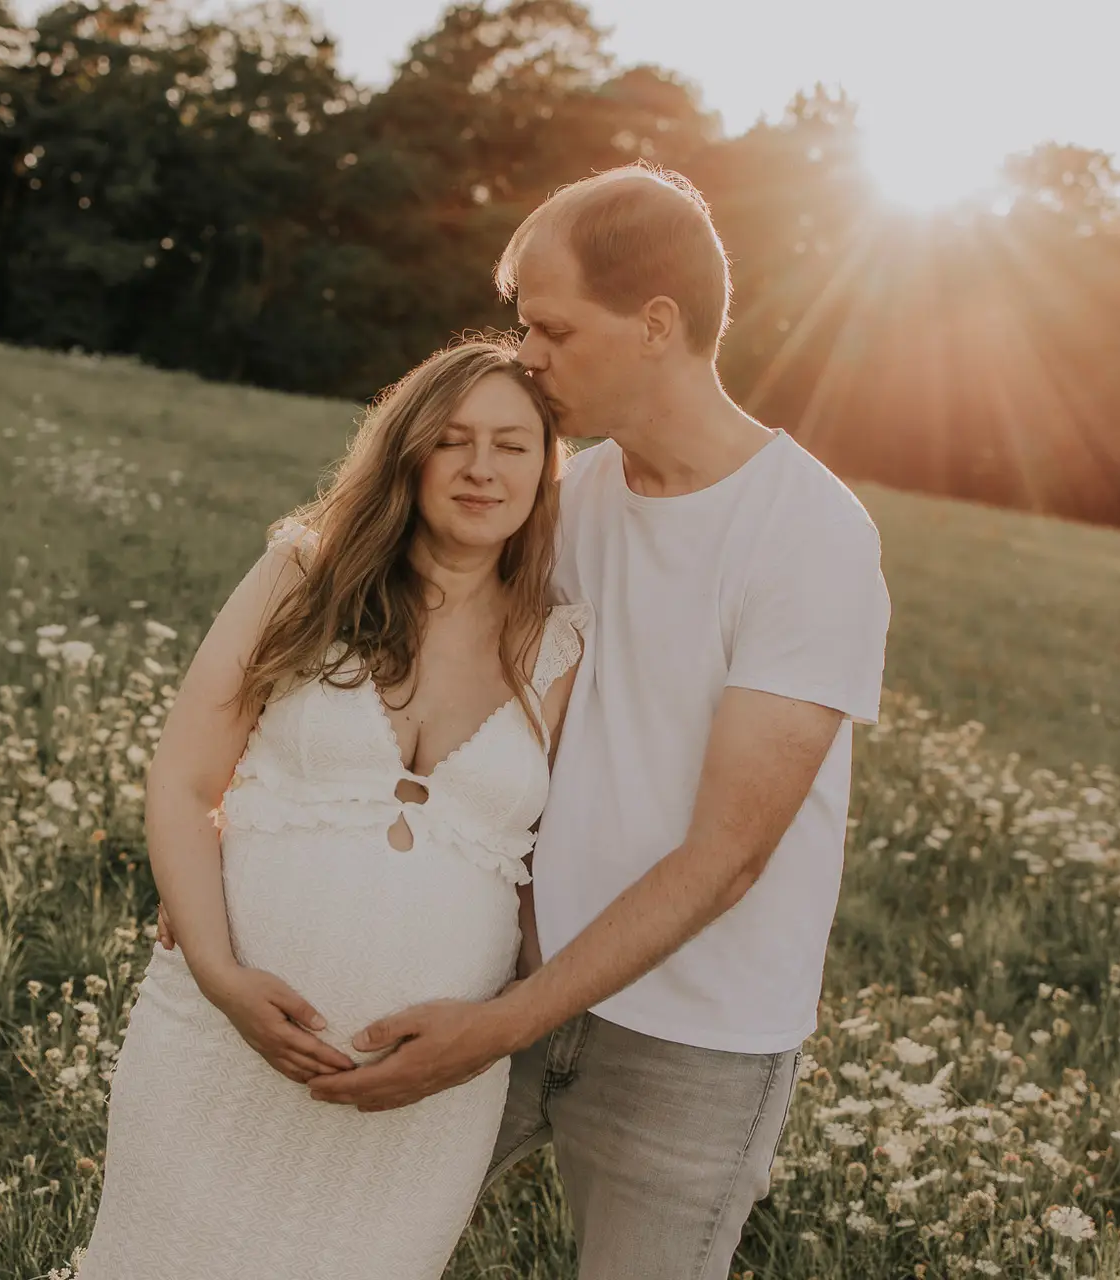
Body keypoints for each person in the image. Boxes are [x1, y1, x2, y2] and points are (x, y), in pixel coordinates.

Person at [300, 165, 894, 1276]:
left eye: (550, 328)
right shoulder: (566, 503)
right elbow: (418, 695)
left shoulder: (808, 534)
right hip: (495, 969)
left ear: (656, 325)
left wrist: (511, 1020)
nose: (526, 355)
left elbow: (727, 857)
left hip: (696, 1038)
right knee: (335, 1235)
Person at [69, 338, 588, 1279]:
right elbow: (185, 780)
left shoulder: (561, 648)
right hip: (218, 1047)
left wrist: (512, 1026)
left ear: (547, 466)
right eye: (453, 439)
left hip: (421, 1102)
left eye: (513, 445)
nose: (482, 468)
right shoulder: (306, 576)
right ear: (408, 452)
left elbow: (561, 870)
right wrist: (223, 977)